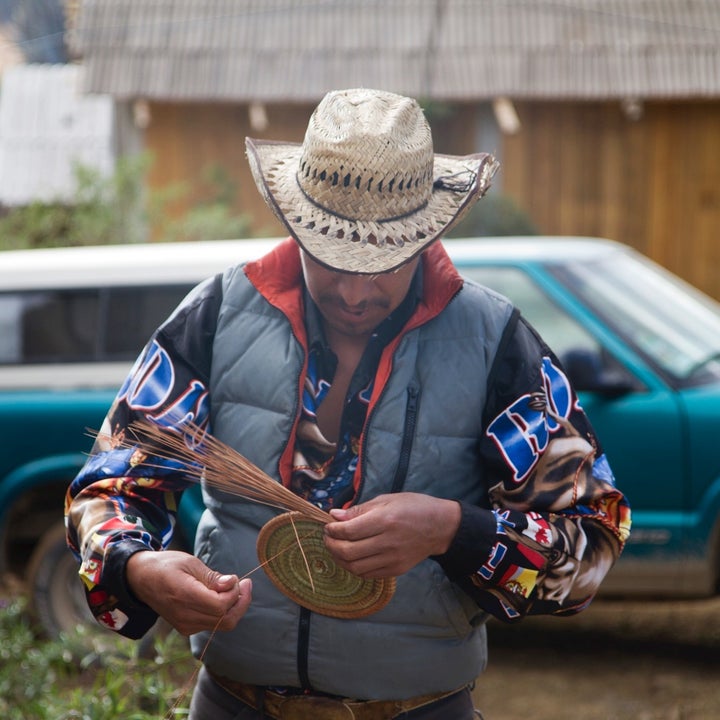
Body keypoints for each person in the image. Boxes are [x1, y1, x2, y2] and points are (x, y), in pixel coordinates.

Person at [66, 88, 631, 720]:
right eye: (331, 259)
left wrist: (451, 530)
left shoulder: (497, 345)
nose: (355, 292)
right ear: (294, 226)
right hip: (232, 702)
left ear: (425, 237)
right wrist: (137, 565)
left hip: (419, 707)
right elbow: (108, 490)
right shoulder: (217, 317)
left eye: (383, 263)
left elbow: (588, 552)